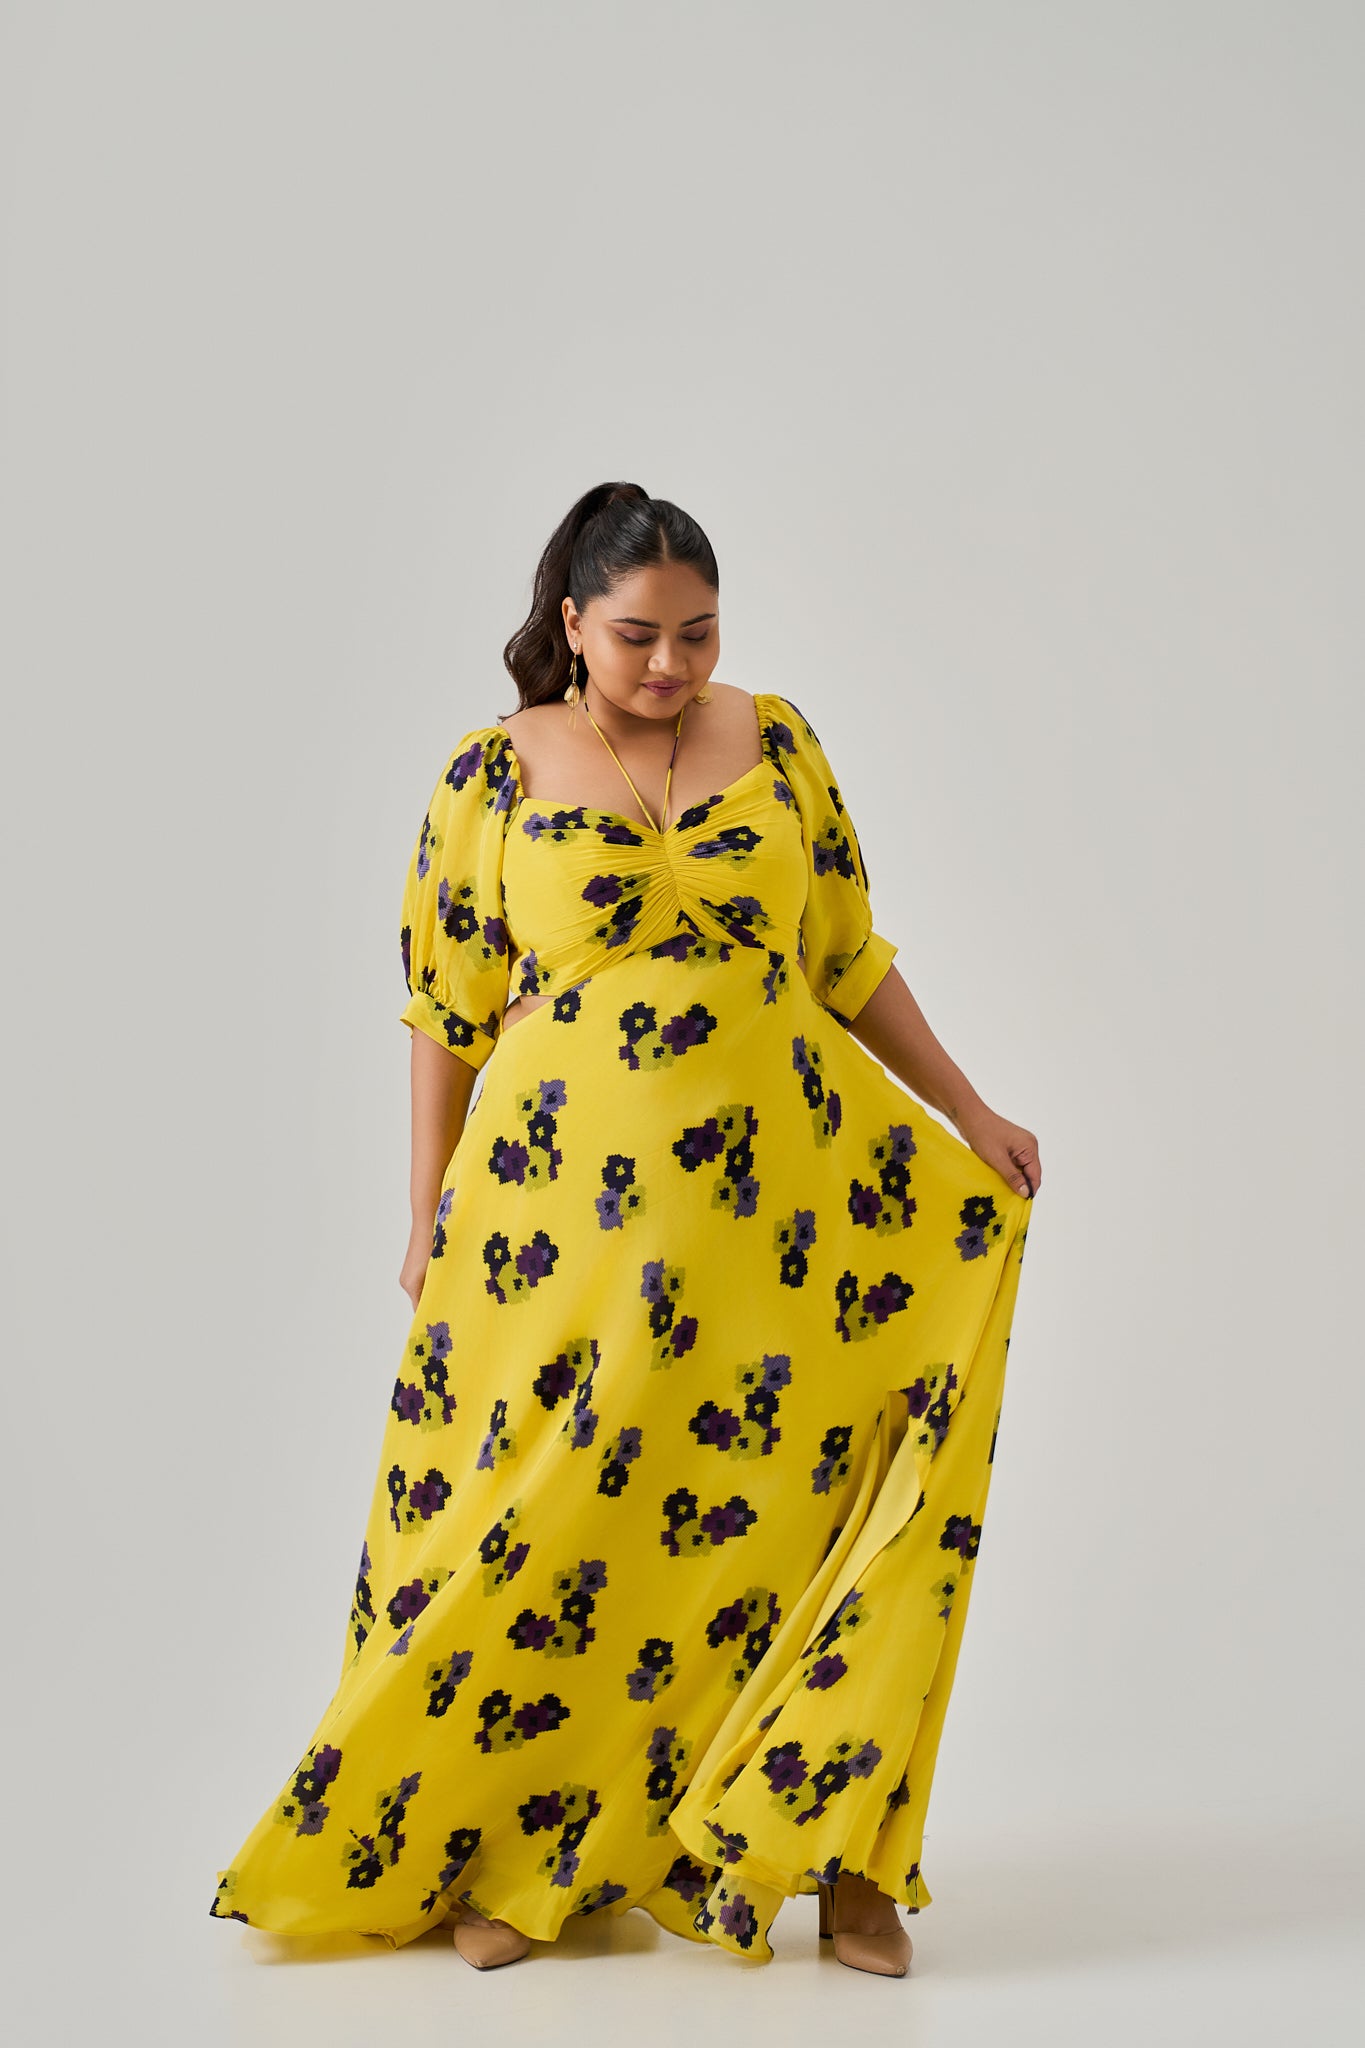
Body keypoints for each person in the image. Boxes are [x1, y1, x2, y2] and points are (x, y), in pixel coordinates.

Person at [211, 481, 1040, 1980]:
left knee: (808, 1505)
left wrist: (970, 1110)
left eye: (699, 633)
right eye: (640, 635)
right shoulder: (494, 772)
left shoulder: (775, 744)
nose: (672, 664)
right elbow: (446, 1011)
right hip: (557, 1229)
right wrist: (423, 1208)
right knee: (552, 1522)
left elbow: (847, 957)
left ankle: (838, 1860)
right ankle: (519, 1851)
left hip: (784, 1217)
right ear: (573, 623)